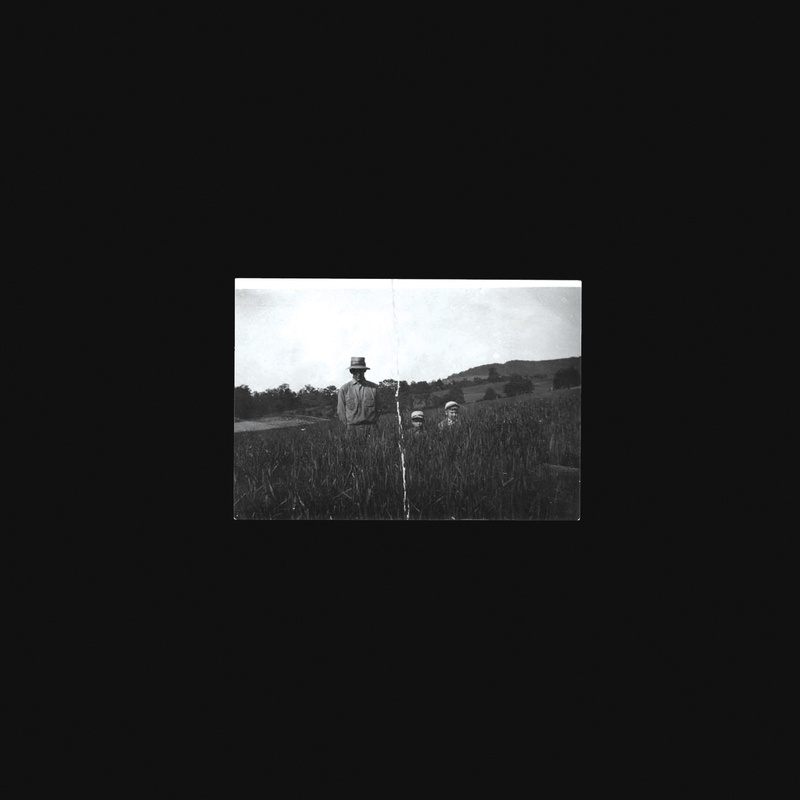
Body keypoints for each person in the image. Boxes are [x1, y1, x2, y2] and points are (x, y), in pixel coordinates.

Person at [337, 356, 380, 436]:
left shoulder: (374, 388)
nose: (359, 374)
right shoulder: (344, 389)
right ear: (351, 371)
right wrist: (348, 427)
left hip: (371, 428)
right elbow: (341, 412)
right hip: (352, 429)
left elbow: (379, 409)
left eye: (361, 371)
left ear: (364, 371)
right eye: (356, 371)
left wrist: (373, 424)